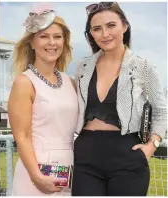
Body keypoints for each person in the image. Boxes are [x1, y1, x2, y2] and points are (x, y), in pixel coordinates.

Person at [72, 2, 167, 196]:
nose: (104, 34)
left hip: (128, 155)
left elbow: (162, 111)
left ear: (125, 26)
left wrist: (151, 146)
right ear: (91, 34)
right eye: (97, 29)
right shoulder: (83, 67)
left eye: (111, 25)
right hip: (85, 155)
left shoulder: (144, 67)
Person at [8, 8, 78, 196]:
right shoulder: (24, 82)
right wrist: (36, 176)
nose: (52, 43)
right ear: (31, 42)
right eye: (44, 36)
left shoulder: (70, 82)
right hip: (35, 170)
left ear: (64, 41)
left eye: (57, 36)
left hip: (68, 171)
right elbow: (22, 136)